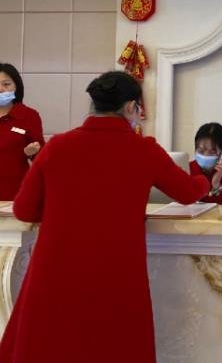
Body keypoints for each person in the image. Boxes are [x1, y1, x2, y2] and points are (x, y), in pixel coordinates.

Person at [0, 71, 210, 363]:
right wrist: (205, 179)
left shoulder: (58, 146)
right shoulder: (143, 150)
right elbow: (188, 192)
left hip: (55, 273)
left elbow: (24, 209)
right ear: (130, 107)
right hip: (116, 276)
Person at [0, 63, 44, 201]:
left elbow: (41, 157)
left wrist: (32, 152)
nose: (0, 89)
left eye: (6, 84)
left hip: (14, 195)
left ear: (16, 86)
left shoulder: (28, 116)